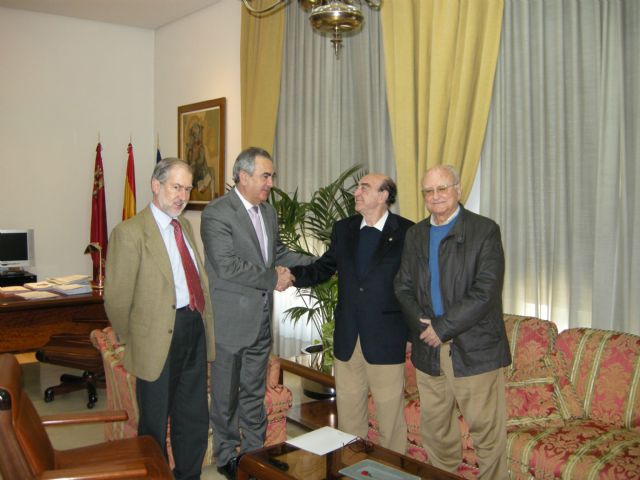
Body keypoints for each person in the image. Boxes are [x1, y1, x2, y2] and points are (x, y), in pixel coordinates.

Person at [200, 146, 314, 480]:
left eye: (272, 176)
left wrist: (319, 263)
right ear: (243, 176)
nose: (270, 182)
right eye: (266, 176)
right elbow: (227, 265)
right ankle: (225, 457)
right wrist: (271, 278)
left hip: (261, 322)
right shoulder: (217, 213)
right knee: (225, 397)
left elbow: (275, 252)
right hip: (229, 322)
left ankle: (253, 454)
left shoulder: (268, 212)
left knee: (253, 392)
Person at [394, 165, 511, 479]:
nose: (435, 197)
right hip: (428, 351)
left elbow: (485, 291)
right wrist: (424, 328)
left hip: (474, 349)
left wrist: (442, 328)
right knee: (436, 430)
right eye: (429, 191)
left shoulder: (485, 230)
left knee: (486, 433)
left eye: (442, 188)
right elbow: (402, 286)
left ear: (458, 189)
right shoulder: (415, 234)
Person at [104, 158, 215, 480]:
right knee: (154, 422)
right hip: (155, 338)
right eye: (175, 187)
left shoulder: (184, 227)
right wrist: (135, 338)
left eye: (187, 188)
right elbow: (117, 298)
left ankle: (188, 476)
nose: (182, 195)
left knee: (193, 417)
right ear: (156, 185)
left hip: (193, 328)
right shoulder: (130, 233)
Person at [290, 173, 414, 453]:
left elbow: (415, 287)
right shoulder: (343, 229)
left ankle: (392, 473)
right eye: (357, 187)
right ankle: (351, 469)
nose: (356, 192)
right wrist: (292, 275)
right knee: (349, 420)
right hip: (347, 338)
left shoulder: (408, 232)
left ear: (384, 196)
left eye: (364, 188)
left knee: (390, 422)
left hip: (386, 339)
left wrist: (412, 334)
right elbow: (324, 267)